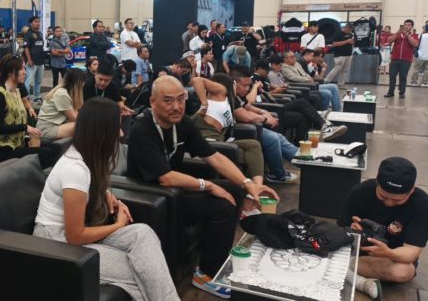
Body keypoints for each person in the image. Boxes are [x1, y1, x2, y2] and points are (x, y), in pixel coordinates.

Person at [127, 76, 278, 298]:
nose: (176, 106)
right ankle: (207, 274)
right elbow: (165, 178)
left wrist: (248, 184)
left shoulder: (183, 123)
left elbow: (213, 156)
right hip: (153, 198)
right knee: (223, 206)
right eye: (168, 100)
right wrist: (206, 186)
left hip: (176, 190)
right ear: (153, 102)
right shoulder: (142, 129)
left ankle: (227, 249)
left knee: (235, 189)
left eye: (181, 99)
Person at [35, 98, 179, 301]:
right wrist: (118, 225)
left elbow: (89, 186)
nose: (121, 133)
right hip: (54, 243)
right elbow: (75, 236)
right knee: (142, 271)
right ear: (101, 132)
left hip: (68, 236)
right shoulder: (75, 169)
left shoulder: (85, 157)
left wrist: (109, 196)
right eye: (116, 127)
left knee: (142, 233)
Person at [338, 157, 428, 300]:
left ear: (411, 190)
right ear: (377, 182)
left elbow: (411, 252)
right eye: (383, 197)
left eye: (398, 200)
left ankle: (344, 268)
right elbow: (340, 229)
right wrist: (353, 232)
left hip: (391, 258)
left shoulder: (423, 206)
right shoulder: (360, 191)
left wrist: (389, 253)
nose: (389, 203)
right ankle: (349, 269)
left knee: (403, 272)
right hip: (358, 251)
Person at [190, 74, 268, 218]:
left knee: (253, 145)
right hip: (210, 141)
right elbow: (197, 80)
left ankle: (256, 190)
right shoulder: (221, 91)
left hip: (221, 140)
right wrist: (204, 105)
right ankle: (249, 201)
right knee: (250, 157)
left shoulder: (228, 100)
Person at [230, 69, 300, 183]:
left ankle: (302, 158)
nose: (247, 89)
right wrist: (265, 119)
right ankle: (278, 175)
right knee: (273, 138)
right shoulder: (230, 96)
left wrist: (263, 111)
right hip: (238, 131)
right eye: (244, 85)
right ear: (233, 83)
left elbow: (248, 107)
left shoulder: (239, 95)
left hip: (248, 127)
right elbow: (245, 116)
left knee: (279, 137)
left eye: (248, 85)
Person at [245, 65, 347, 142]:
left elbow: (267, 93)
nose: (246, 85)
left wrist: (268, 89)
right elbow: (250, 101)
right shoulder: (248, 86)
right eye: (245, 84)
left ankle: (300, 144)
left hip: (274, 103)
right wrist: (254, 87)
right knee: (301, 102)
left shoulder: (261, 80)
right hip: (271, 109)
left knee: (302, 116)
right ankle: (323, 125)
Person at [0, 55, 56, 167]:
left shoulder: (17, 92)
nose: (25, 72)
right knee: (45, 153)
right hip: (2, 151)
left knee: (52, 147)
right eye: (21, 69)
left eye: (24, 68)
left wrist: (30, 130)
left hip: (17, 144)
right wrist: (25, 128)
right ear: (10, 73)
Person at [36, 68, 86, 141]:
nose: (84, 84)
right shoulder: (62, 94)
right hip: (46, 129)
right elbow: (74, 119)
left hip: (55, 125)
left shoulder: (66, 91)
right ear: (79, 82)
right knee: (81, 126)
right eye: (83, 81)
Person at [385, 20, 419, 98]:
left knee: (403, 77)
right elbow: (389, 40)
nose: (406, 26)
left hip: (406, 60)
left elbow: (415, 44)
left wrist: (407, 35)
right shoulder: (398, 34)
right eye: (405, 25)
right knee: (392, 76)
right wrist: (397, 33)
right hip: (395, 59)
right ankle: (390, 92)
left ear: (412, 26)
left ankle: (402, 93)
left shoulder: (414, 35)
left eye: (409, 25)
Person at [23, 16, 47, 102]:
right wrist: (29, 60)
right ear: (31, 23)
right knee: (28, 81)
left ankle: (37, 96)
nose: (38, 23)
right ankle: (25, 97)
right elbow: (26, 48)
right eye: (36, 21)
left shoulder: (40, 33)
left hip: (40, 61)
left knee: (39, 81)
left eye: (38, 21)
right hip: (32, 62)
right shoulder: (28, 34)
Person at [325, 23, 355, 88]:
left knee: (345, 70)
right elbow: (334, 44)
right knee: (337, 68)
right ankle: (326, 81)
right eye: (349, 29)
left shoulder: (351, 34)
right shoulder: (338, 34)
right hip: (340, 55)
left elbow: (352, 42)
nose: (349, 31)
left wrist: (352, 42)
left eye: (351, 30)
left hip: (349, 55)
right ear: (346, 27)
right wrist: (346, 41)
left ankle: (341, 84)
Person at [409, 21, 428, 87]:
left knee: (416, 69)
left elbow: (417, 44)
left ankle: (413, 82)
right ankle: (424, 83)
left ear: (425, 29)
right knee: (427, 70)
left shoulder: (421, 36)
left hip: (420, 55)